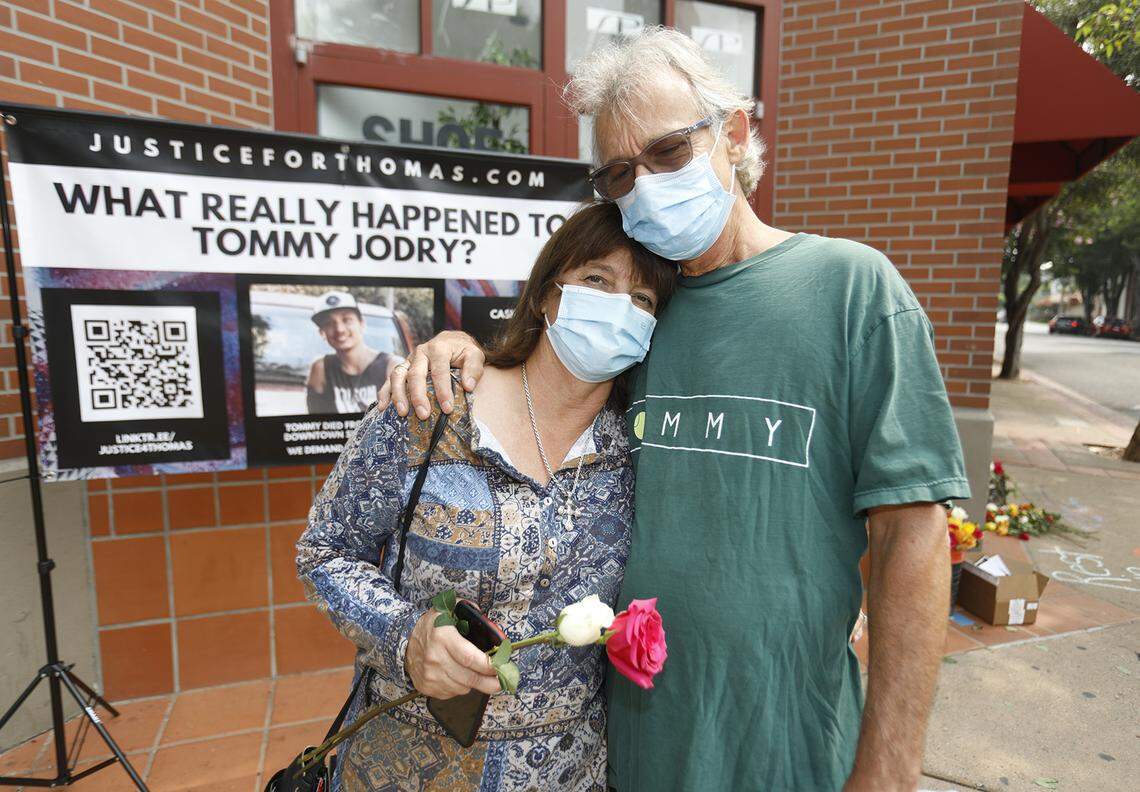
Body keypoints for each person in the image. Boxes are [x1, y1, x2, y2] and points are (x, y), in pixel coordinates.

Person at [385, 27, 970, 792]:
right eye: (620, 173)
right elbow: (535, 369)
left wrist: (890, 769)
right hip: (632, 743)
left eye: (667, 153)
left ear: (734, 134)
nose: (647, 186)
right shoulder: (636, 315)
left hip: (789, 742)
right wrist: (455, 346)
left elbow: (912, 538)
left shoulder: (853, 291)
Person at [296, 202, 675, 791]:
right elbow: (324, 553)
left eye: (643, 300)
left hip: (571, 774)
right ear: (549, 294)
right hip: (407, 768)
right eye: (597, 280)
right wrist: (406, 634)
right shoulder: (433, 407)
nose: (618, 307)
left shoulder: (637, 452)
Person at [305, 290, 401, 414]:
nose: (339, 329)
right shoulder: (320, 368)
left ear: (362, 324)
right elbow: (317, 421)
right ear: (322, 332)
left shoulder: (392, 365)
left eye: (347, 320)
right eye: (329, 323)